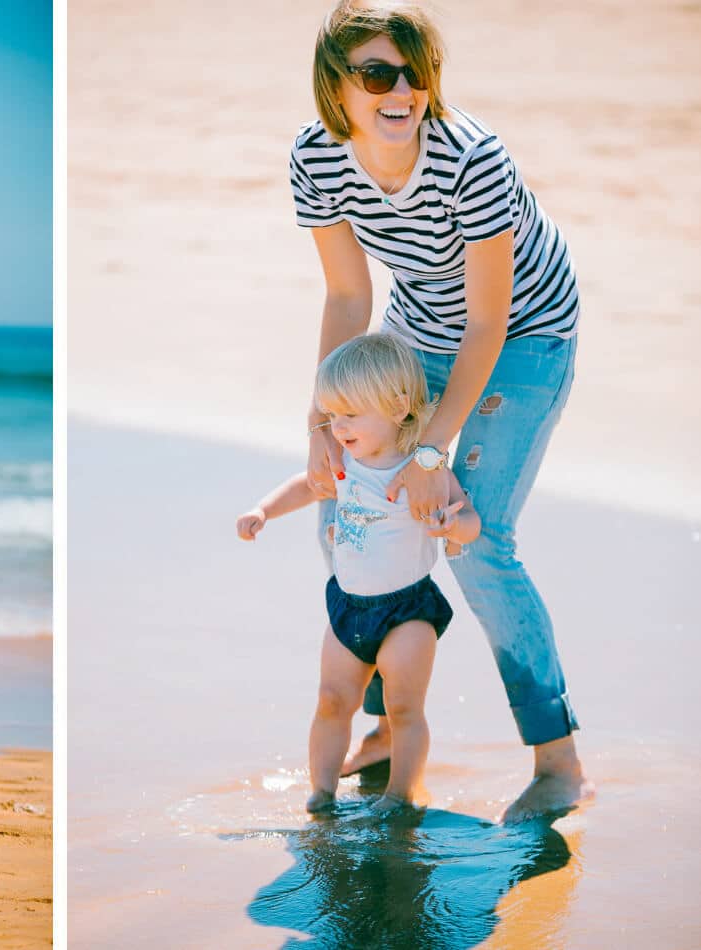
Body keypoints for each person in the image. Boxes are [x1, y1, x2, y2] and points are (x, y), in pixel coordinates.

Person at [290, 0, 593, 820]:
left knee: (476, 535)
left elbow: (490, 322)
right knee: (349, 503)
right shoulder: (316, 157)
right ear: (336, 87)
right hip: (418, 326)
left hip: (526, 333)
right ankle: (389, 725)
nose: (403, 91)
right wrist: (322, 425)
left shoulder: (472, 158)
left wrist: (432, 451)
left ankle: (557, 758)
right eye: (378, 73)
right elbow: (349, 293)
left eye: (415, 73)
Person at [237, 334, 480, 813]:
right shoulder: (343, 459)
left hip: (408, 611)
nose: (337, 426)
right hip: (349, 607)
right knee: (331, 700)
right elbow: (307, 486)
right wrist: (263, 511)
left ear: (396, 407)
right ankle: (322, 791)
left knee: (405, 708)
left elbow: (470, 520)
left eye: (350, 415)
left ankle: (400, 795)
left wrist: (454, 523)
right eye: (331, 414)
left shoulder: (420, 469)